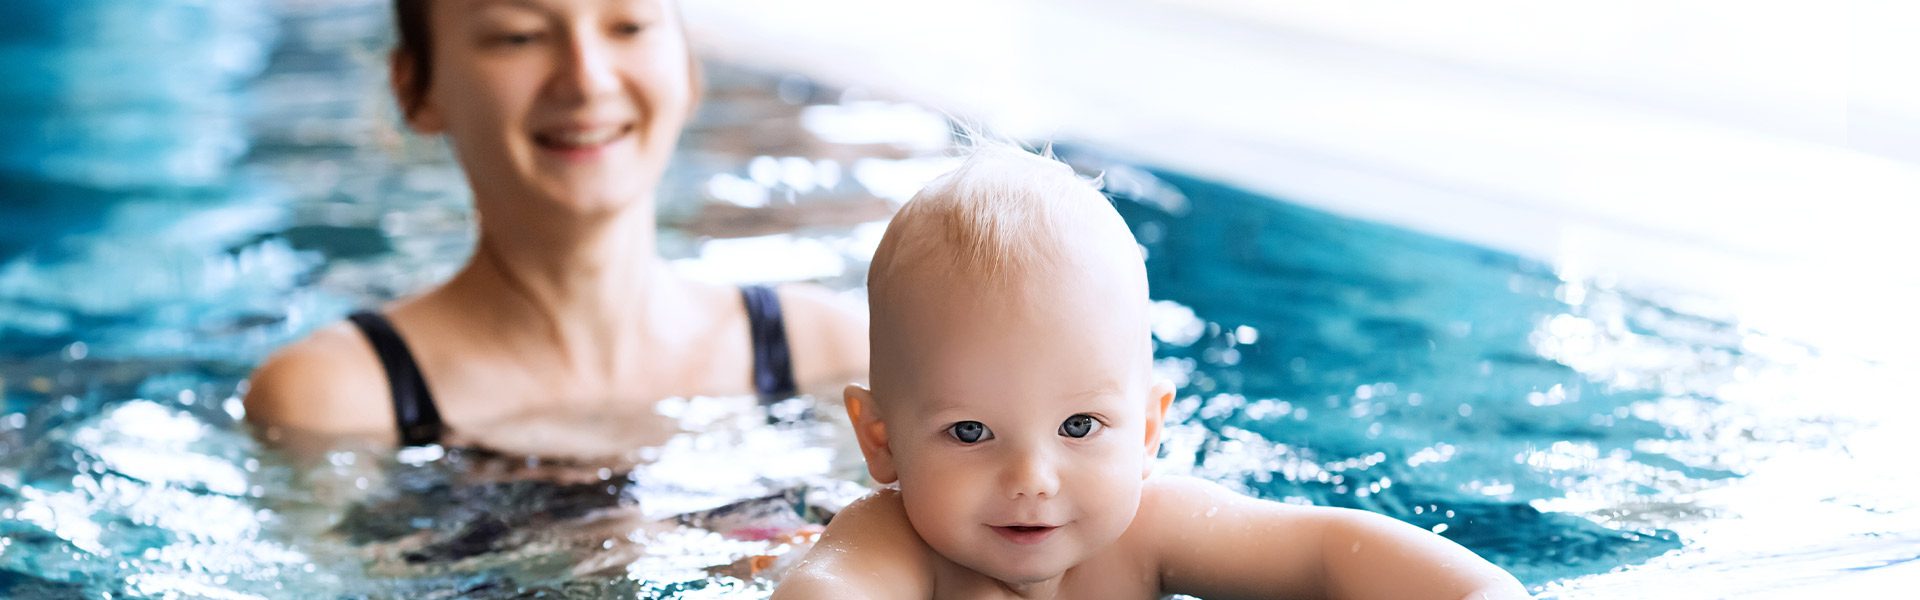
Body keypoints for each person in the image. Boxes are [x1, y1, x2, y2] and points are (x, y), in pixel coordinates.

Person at [773, 145, 1528, 599]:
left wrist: (1480, 592)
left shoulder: (1145, 531)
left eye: (1079, 426)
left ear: (1145, 429)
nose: (1033, 477)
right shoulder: (892, 544)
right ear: (881, 442)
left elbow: (1331, 555)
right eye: (970, 431)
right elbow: (825, 587)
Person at [244, 0, 867, 457]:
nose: (587, 79)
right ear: (415, 88)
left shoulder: (827, 354)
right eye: (519, 36)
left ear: (688, 67)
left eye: (629, 26)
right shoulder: (337, 400)